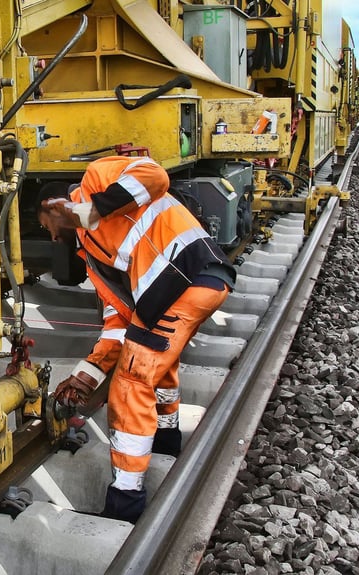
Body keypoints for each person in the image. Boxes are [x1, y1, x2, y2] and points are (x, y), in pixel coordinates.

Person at [38, 155, 235, 523]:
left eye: (46, 223)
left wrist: (90, 209)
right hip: (187, 288)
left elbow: (154, 173)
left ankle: (125, 502)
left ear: (54, 205)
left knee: (131, 380)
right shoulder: (92, 254)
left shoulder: (95, 180)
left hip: (187, 277)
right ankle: (166, 443)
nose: (51, 236)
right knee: (155, 363)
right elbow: (117, 325)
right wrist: (86, 377)